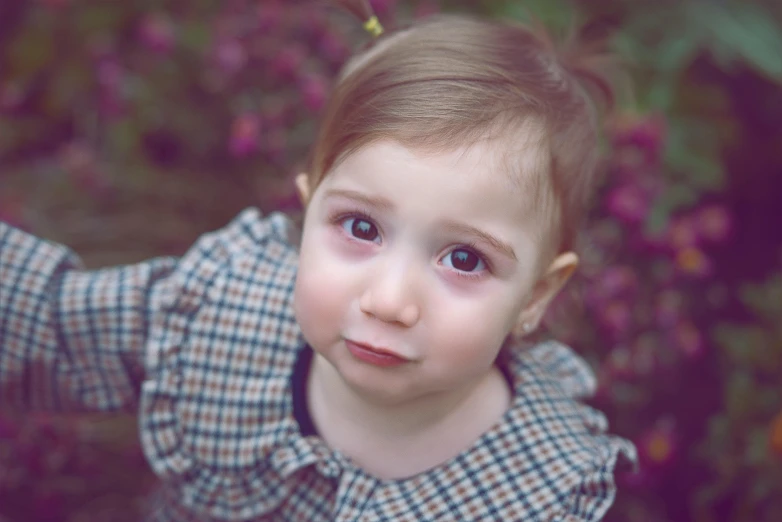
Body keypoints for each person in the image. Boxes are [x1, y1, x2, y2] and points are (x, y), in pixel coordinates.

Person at [0, 1, 636, 520]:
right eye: (360, 226)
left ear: (535, 296)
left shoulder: (538, 493)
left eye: (465, 259)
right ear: (306, 215)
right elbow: (48, 323)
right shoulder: (220, 309)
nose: (389, 300)